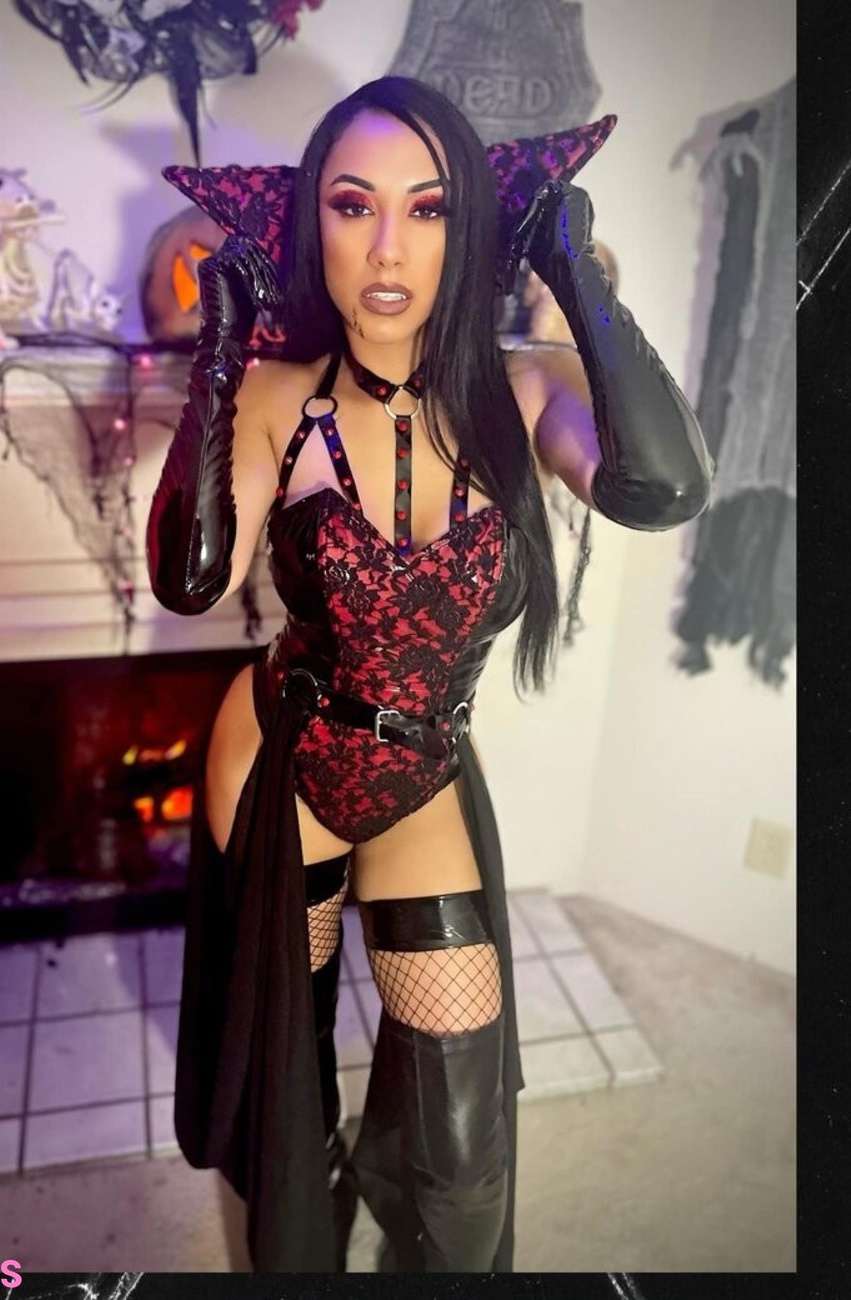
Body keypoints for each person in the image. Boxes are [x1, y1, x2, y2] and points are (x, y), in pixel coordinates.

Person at [146, 76, 712, 1274]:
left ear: (475, 227)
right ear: (313, 222)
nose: (390, 249)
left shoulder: (527, 388)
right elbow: (193, 580)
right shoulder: (279, 398)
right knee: (289, 1080)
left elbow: (662, 487)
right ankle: (307, 1229)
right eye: (354, 206)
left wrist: (569, 263)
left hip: (420, 766)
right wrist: (221, 348)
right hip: (286, 753)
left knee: (464, 1143)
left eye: (432, 207)